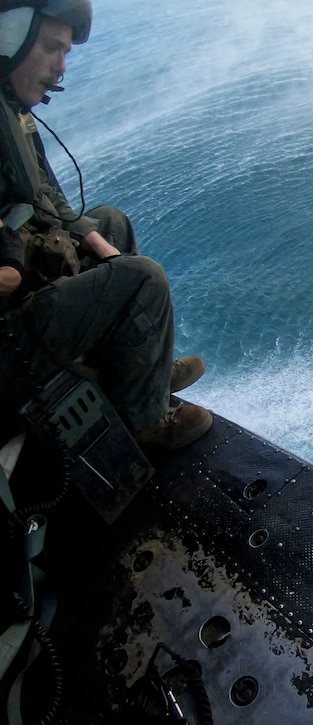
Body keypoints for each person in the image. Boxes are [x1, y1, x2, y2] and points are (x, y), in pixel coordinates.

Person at [0, 0, 210, 450]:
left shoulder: (12, 112)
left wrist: (95, 240)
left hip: (22, 296)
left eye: (66, 54)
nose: (60, 67)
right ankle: (146, 424)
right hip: (7, 345)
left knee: (109, 223)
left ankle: (139, 372)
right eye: (51, 48)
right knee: (143, 277)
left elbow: (46, 196)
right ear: (9, 40)